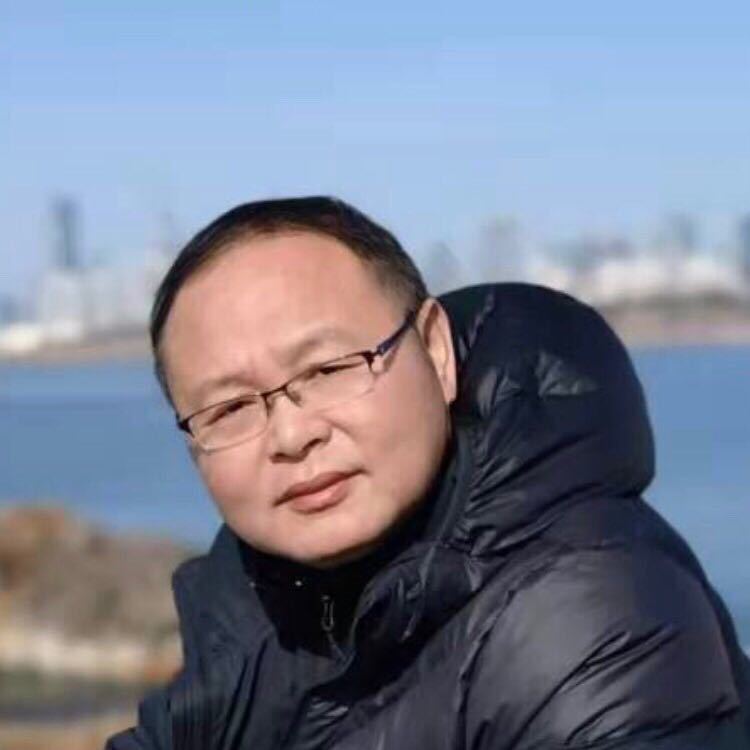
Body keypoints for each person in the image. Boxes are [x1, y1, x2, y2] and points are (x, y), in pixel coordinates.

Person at [107, 197, 750, 750]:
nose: (293, 436)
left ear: (436, 351)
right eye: (229, 409)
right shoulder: (257, 602)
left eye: (328, 370)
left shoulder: (589, 614)